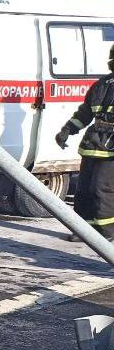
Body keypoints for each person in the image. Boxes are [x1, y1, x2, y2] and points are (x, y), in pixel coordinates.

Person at [56, 44, 114, 240]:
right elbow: (85, 113)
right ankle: (84, 230)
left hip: (111, 149)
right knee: (84, 190)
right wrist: (67, 130)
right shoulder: (102, 84)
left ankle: (107, 232)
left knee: (102, 189)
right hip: (92, 145)